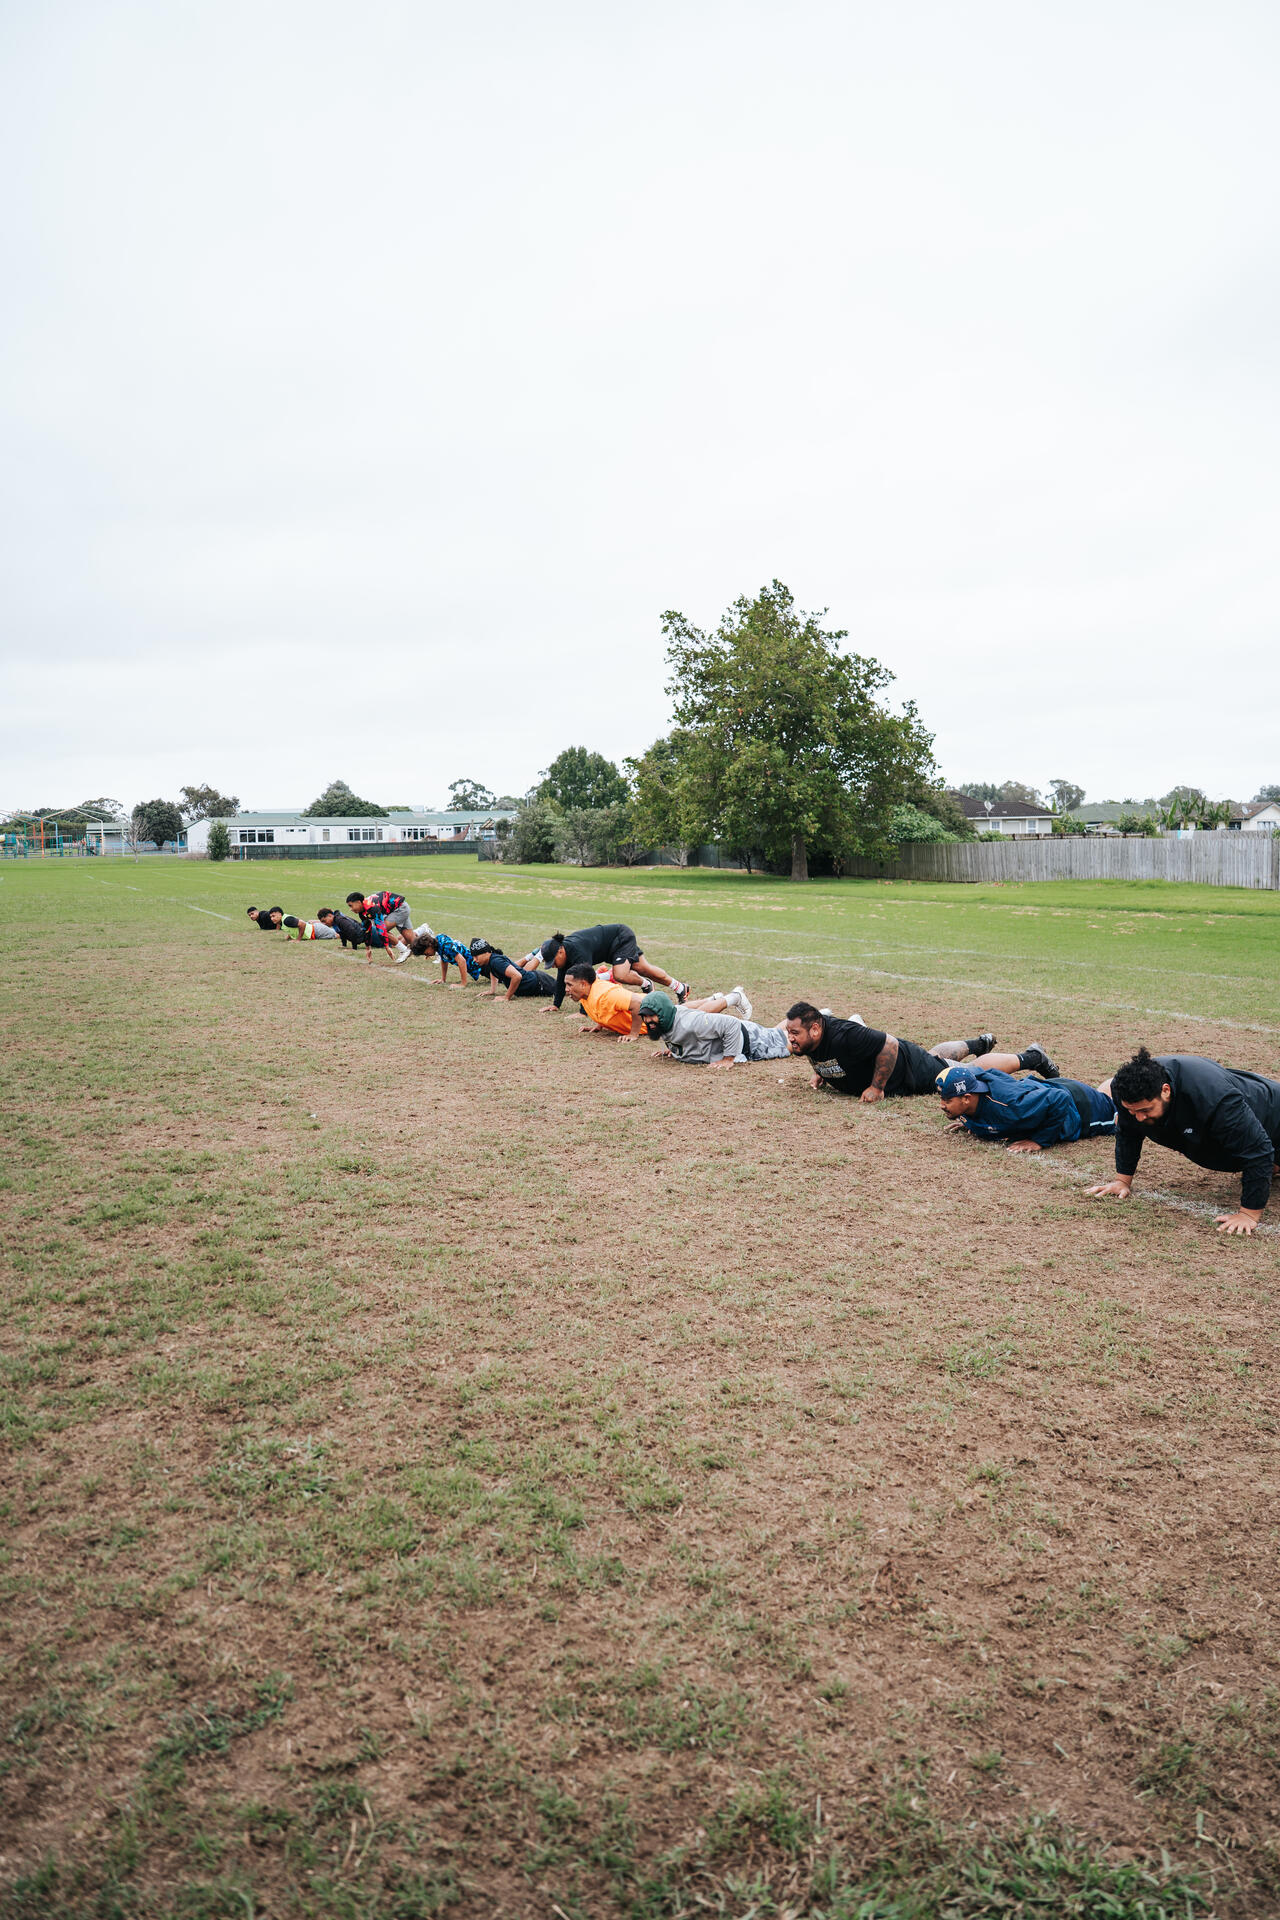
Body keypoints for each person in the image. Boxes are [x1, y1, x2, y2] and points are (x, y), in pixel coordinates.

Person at [1087, 1047, 1280, 1235]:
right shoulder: (1127, 1093)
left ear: (1165, 1090)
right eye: (1132, 1111)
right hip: (1253, 1127)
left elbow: (1258, 1150)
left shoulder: (1212, 1097)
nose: (1139, 1117)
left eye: (1145, 1110)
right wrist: (1122, 1181)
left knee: (1259, 1156)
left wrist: (1248, 1214)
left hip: (1274, 1117)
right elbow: (1128, 1132)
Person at [782, 1004, 1057, 1101]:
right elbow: (823, 1053)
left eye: (795, 1034)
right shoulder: (812, 1040)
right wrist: (823, 1072)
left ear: (816, 1029)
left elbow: (888, 1044)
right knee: (936, 1057)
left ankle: (1031, 1057)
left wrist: (877, 1087)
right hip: (911, 1058)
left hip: (906, 1069)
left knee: (962, 1074)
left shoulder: (845, 1034)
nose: (791, 1039)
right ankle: (976, 1044)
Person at [937, 1064, 1116, 1152]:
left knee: (1120, 1114)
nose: (942, 1105)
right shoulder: (972, 1091)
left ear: (967, 1098)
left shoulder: (1011, 1106)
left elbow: (1059, 1099)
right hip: (1044, 1089)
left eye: (946, 1100)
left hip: (1080, 1106)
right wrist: (974, 1122)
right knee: (1106, 1095)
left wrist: (1039, 1141)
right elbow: (985, 1072)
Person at [539, 925, 689, 1012]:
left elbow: (587, 983)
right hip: (611, 948)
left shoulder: (577, 951)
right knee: (644, 968)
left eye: (553, 961)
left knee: (620, 974)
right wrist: (555, 1005)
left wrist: (583, 1013)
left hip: (620, 937)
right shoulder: (565, 953)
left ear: (560, 950)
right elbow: (561, 979)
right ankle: (680, 987)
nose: (552, 965)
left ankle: (646, 984)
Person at [639, 988, 797, 1066]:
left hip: (749, 1042)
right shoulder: (668, 1020)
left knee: (793, 1043)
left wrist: (728, 1059)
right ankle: (800, 1017)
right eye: (644, 1016)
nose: (647, 1020)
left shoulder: (690, 1022)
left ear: (663, 1013)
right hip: (746, 1035)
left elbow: (731, 1024)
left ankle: (817, 1016)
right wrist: (674, 1048)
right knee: (775, 1033)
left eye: (651, 1015)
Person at [470, 939, 557, 999]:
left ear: (486, 952)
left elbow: (517, 976)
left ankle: (541, 953)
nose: (474, 959)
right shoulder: (491, 961)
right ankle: (536, 954)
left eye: (476, 956)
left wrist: (506, 997)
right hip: (533, 980)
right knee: (522, 971)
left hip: (539, 983)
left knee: (565, 991)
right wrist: (492, 991)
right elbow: (493, 972)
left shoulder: (495, 961)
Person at [410, 930, 483, 985]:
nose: (427, 955)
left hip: (482, 966)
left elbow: (462, 961)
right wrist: (443, 979)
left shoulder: (446, 946)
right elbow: (444, 959)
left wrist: (463, 984)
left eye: (426, 953)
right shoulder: (439, 942)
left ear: (429, 945)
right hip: (478, 965)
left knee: (493, 974)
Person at [347, 890, 413, 935]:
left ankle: (402, 949)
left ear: (359, 902)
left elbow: (378, 926)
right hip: (394, 909)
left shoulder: (371, 907)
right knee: (410, 939)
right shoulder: (363, 908)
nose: (350, 909)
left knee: (381, 930)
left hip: (400, 908)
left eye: (351, 906)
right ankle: (418, 934)